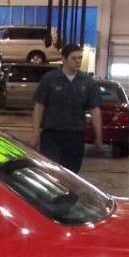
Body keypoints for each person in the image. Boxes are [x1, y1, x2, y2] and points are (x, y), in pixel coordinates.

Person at [29, 44, 103, 173]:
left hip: (75, 136)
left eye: (80, 58)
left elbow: (95, 110)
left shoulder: (87, 82)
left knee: (71, 175)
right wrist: (35, 132)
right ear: (64, 59)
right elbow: (39, 106)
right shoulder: (50, 79)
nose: (78, 61)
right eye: (74, 58)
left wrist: (99, 135)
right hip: (51, 135)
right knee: (50, 172)